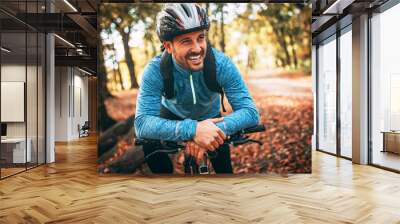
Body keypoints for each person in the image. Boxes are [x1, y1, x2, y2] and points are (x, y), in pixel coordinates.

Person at [135, 3, 259, 174]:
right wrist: (193, 130)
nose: (197, 48)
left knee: (225, 170)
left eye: (200, 38)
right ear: (168, 46)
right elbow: (142, 124)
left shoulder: (221, 64)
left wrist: (208, 132)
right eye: (186, 41)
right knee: (150, 147)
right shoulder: (155, 70)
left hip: (212, 118)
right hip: (172, 115)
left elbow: (251, 112)